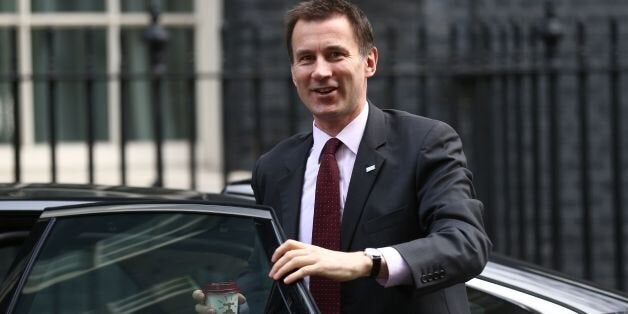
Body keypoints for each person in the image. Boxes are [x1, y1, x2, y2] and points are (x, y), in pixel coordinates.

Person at [195, 0, 491, 313]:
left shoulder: (424, 143)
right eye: (306, 58)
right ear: (294, 72)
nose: (320, 72)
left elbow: (465, 244)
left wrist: (365, 262)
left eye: (335, 54)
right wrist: (237, 304)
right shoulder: (273, 168)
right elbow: (269, 274)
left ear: (370, 62)